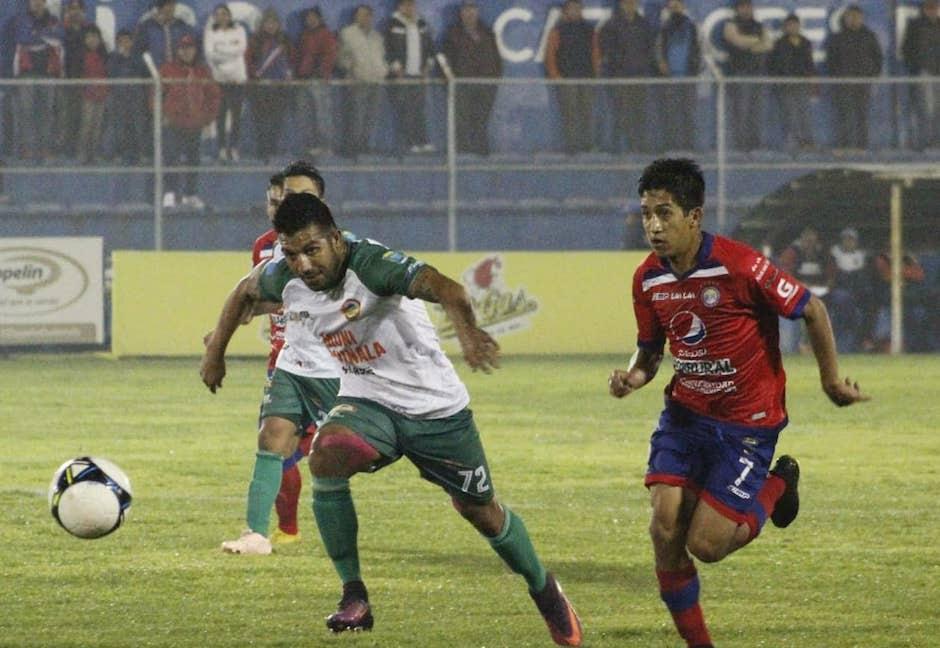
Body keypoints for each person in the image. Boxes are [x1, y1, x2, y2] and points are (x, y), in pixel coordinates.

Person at [200, 193, 583, 646]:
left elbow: (447, 288)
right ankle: (354, 596)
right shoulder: (284, 275)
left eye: (312, 250)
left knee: (481, 511)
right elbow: (242, 291)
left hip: (435, 410)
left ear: (336, 240)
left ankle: (544, 588)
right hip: (367, 400)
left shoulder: (372, 264)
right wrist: (215, 352)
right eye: (292, 253)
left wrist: (468, 330)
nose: (302, 264)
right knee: (326, 453)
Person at [609, 158, 868, 648]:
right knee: (664, 528)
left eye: (664, 213)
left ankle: (777, 484)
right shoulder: (648, 279)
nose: (653, 226)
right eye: (646, 214)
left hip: (747, 425)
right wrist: (634, 377)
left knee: (704, 545)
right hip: (684, 416)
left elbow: (811, 308)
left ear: (694, 217)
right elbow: (650, 351)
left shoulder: (740, 265)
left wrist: (831, 380)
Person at [204, 162, 335, 553]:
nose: (284, 204)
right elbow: (262, 292)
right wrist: (224, 337)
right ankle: (259, 534)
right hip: (290, 359)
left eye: (298, 197)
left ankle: (470, 495)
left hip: (341, 362)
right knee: (274, 439)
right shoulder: (268, 246)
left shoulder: (337, 244)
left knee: (355, 450)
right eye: (280, 198)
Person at [158, 33, 221, 209]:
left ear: (195, 50)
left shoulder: (202, 71)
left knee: (193, 160)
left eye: (190, 48)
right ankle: (170, 193)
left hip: (194, 123)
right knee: (171, 158)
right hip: (173, 123)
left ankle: (190, 194)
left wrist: (207, 118)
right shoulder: (167, 69)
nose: (186, 52)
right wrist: (162, 114)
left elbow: (213, 96)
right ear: (177, 51)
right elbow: (155, 94)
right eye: (182, 49)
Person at [441, 1, 503, 155]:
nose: (469, 13)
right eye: (466, 10)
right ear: (461, 13)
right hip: (462, 84)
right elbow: (444, 58)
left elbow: (496, 57)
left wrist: (495, 77)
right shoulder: (452, 32)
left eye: (472, 9)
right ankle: (462, 150)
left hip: (486, 84)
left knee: (481, 118)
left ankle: (481, 148)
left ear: (477, 12)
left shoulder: (488, 32)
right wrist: (449, 78)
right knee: (462, 118)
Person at [598, 0, 655, 154]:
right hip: (620, 78)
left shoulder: (643, 24)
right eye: (627, 3)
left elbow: (650, 48)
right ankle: (619, 147)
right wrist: (619, 66)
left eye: (633, 2)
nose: (630, 5)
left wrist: (643, 65)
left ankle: (639, 145)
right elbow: (607, 51)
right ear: (621, 4)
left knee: (639, 112)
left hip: (639, 77)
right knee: (620, 113)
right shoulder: (611, 25)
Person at [545, 0, 601, 155]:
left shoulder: (589, 30)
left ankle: (587, 146)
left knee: (587, 113)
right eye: (572, 8)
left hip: (587, 79)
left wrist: (595, 75)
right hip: (566, 79)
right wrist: (556, 76)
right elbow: (550, 55)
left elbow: (595, 53)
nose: (575, 11)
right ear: (566, 10)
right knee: (570, 114)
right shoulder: (558, 30)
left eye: (578, 7)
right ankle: (572, 147)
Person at [825, 4, 882, 152]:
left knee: (861, 116)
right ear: (845, 18)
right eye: (850, 16)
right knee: (844, 115)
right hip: (843, 84)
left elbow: (878, 58)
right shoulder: (838, 37)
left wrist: (871, 76)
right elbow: (831, 60)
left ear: (862, 18)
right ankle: (843, 146)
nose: (853, 19)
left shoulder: (869, 36)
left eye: (856, 16)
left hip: (863, 84)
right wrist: (837, 78)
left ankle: (861, 146)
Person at [12, 0, 63, 161]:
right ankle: (27, 148)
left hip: (48, 72)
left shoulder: (53, 19)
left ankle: (45, 149)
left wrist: (37, 34)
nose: (37, 3)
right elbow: (23, 38)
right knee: (26, 112)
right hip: (27, 72)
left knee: (46, 113)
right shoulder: (21, 19)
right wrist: (44, 36)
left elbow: (58, 37)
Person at [385, 0, 436, 154]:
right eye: (406, 5)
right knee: (405, 110)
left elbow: (430, 48)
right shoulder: (393, 24)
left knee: (419, 110)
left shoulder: (422, 24)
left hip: (419, 76)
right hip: (402, 76)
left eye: (412, 4)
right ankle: (409, 142)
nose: (410, 8)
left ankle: (422, 140)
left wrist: (428, 65)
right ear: (399, 7)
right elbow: (387, 48)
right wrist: (396, 68)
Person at [336, 5, 387, 157]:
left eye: (367, 15)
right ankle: (353, 146)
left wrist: (383, 70)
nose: (364, 18)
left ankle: (366, 144)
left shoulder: (377, 36)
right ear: (355, 16)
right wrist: (350, 69)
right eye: (361, 15)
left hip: (376, 81)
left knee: (371, 116)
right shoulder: (347, 34)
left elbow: (382, 56)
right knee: (356, 116)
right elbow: (341, 57)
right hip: (358, 81)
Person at [723, 0, 772, 152]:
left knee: (757, 111)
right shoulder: (731, 24)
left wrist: (750, 43)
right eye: (743, 7)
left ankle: (756, 145)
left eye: (748, 6)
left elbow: (769, 44)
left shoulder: (759, 25)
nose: (746, 9)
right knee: (741, 111)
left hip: (757, 73)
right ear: (737, 9)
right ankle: (741, 146)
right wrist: (756, 41)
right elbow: (736, 41)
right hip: (740, 73)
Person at [246, 8, 292, 162]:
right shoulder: (255, 39)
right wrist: (254, 75)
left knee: (277, 120)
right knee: (260, 120)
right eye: (268, 22)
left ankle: (272, 148)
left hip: (280, 87)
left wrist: (289, 74)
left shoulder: (284, 40)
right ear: (263, 24)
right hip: (260, 87)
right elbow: (249, 59)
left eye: (274, 22)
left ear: (278, 24)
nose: (271, 26)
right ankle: (262, 149)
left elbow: (292, 58)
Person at [203, 3, 247, 162]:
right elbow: (210, 55)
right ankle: (221, 148)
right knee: (220, 116)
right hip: (219, 79)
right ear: (215, 17)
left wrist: (221, 51)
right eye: (218, 14)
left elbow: (241, 49)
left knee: (236, 116)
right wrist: (230, 53)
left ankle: (234, 148)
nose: (222, 17)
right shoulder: (210, 33)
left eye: (224, 14)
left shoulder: (239, 30)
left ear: (229, 16)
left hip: (237, 80)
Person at [776, 226, 830, 354]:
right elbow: (785, 274)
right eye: (807, 239)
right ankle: (796, 346)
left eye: (812, 239)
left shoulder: (823, 253)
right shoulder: (791, 253)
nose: (810, 243)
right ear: (802, 239)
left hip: (819, 294)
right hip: (793, 295)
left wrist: (827, 286)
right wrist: (801, 286)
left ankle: (819, 345)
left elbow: (831, 274)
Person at [655, 0, 700, 152]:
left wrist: (695, 68)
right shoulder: (664, 28)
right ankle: (671, 145)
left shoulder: (691, 26)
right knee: (671, 114)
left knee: (688, 112)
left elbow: (698, 49)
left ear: (683, 7)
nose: (675, 9)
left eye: (678, 6)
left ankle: (690, 145)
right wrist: (662, 65)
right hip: (670, 78)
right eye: (672, 7)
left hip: (688, 77)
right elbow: (659, 50)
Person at [767, 13, 816, 151]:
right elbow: (772, 64)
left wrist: (811, 80)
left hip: (802, 84)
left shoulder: (805, 42)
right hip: (785, 84)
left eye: (795, 24)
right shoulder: (779, 44)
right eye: (789, 25)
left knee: (804, 113)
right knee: (789, 114)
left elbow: (809, 63)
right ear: (785, 27)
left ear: (799, 26)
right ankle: (793, 142)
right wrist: (779, 80)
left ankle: (807, 142)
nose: (792, 27)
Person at [294, 7, 337, 157]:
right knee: (305, 115)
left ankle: (326, 146)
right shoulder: (303, 35)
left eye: (313, 17)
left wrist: (321, 72)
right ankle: (310, 145)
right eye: (308, 17)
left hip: (319, 80)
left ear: (320, 18)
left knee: (322, 114)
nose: (310, 20)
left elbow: (330, 55)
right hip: (303, 80)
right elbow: (298, 56)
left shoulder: (326, 34)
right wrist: (298, 73)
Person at [901, 0, 940, 151]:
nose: (932, 10)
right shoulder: (915, 25)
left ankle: (937, 141)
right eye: (929, 7)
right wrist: (916, 67)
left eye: (935, 7)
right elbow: (906, 49)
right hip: (924, 72)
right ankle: (924, 142)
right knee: (925, 109)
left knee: (938, 109)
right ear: (923, 9)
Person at [106, 29, 148, 164]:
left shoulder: (138, 56)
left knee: (138, 125)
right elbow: (110, 72)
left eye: (127, 40)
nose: (124, 43)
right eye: (121, 40)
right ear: (117, 42)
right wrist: (120, 56)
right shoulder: (112, 56)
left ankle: (141, 154)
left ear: (132, 42)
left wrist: (129, 57)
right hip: (118, 96)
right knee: (119, 126)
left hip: (136, 95)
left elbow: (143, 71)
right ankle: (118, 153)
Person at [826, 227, 869, 352]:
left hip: (856, 295)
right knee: (842, 300)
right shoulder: (834, 255)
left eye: (852, 240)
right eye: (846, 239)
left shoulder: (860, 257)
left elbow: (863, 284)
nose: (849, 242)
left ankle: (856, 345)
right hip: (838, 293)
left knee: (858, 315)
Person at [59, 0, 90, 158]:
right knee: (67, 116)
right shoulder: (61, 30)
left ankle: (82, 150)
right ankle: (67, 149)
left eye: (77, 8)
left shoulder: (89, 30)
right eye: (71, 8)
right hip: (66, 80)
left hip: (85, 80)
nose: (74, 12)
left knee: (83, 117)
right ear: (67, 10)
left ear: (83, 11)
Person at [76, 24, 108, 165]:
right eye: (89, 37)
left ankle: (94, 154)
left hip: (101, 94)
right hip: (87, 95)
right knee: (86, 125)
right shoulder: (80, 55)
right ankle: (82, 154)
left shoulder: (105, 56)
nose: (92, 40)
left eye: (95, 37)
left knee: (97, 126)